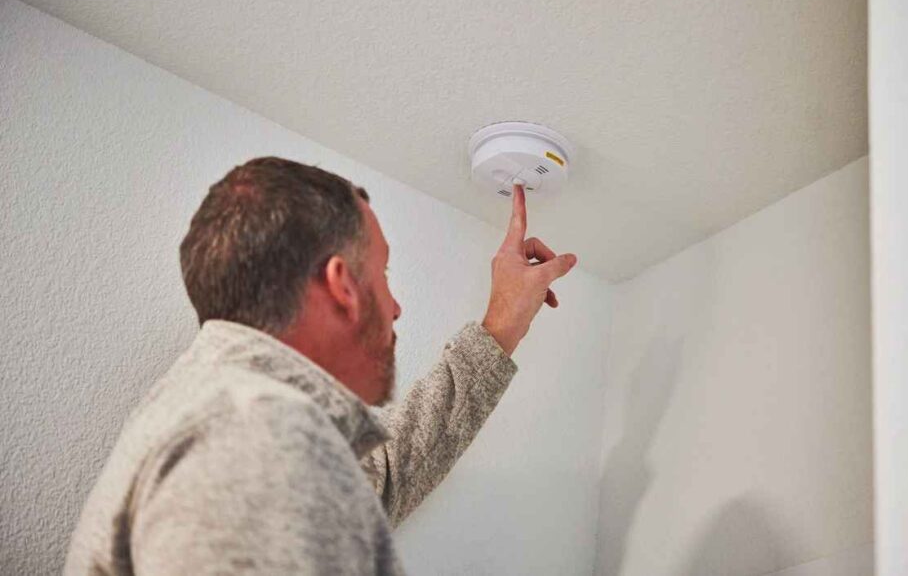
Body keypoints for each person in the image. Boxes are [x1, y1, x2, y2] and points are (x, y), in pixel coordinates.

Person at [64, 157, 578, 575]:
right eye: (383, 272)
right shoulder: (250, 443)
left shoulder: (227, 418)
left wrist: (501, 326)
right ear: (341, 285)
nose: (395, 307)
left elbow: (379, 478)